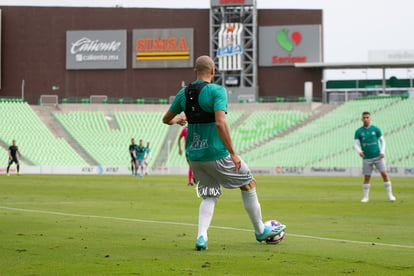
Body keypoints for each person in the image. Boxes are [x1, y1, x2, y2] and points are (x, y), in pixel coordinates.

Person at [162, 55, 286, 250]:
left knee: (210, 195)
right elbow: (220, 122)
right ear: (213, 72)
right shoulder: (217, 91)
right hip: (216, 153)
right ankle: (260, 230)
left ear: (195, 71)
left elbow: (166, 119)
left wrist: (178, 119)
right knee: (248, 183)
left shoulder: (182, 93)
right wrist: (233, 153)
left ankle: (202, 237)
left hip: (194, 156)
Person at [354, 111, 396, 203]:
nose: (365, 119)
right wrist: (359, 151)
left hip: (378, 156)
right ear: (361, 119)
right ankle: (365, 197)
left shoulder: (376, 129)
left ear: (370, 118)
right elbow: (356, 144)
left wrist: (382, 151)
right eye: (364, 117)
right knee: (367, 177)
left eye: (367, 117)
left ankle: (390, 195)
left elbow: (383, 141)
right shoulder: (358, 131)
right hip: (367, 158)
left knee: (384, 174)